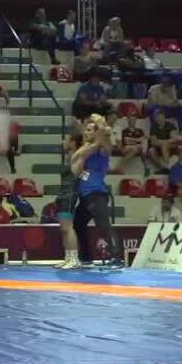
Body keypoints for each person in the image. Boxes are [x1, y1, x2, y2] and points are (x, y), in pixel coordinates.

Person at [72, 115, 124, 269]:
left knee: (104, 226)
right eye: (85, 130)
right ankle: (86, 257)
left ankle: (117, 258)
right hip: (85, 196)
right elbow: (78, 166)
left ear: (96, 133)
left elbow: (107, 145)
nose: (85, 132)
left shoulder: (101, 148)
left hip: (96, 194)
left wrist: (101, 125)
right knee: (78, 223)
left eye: (89, 130)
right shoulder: (87, 147)